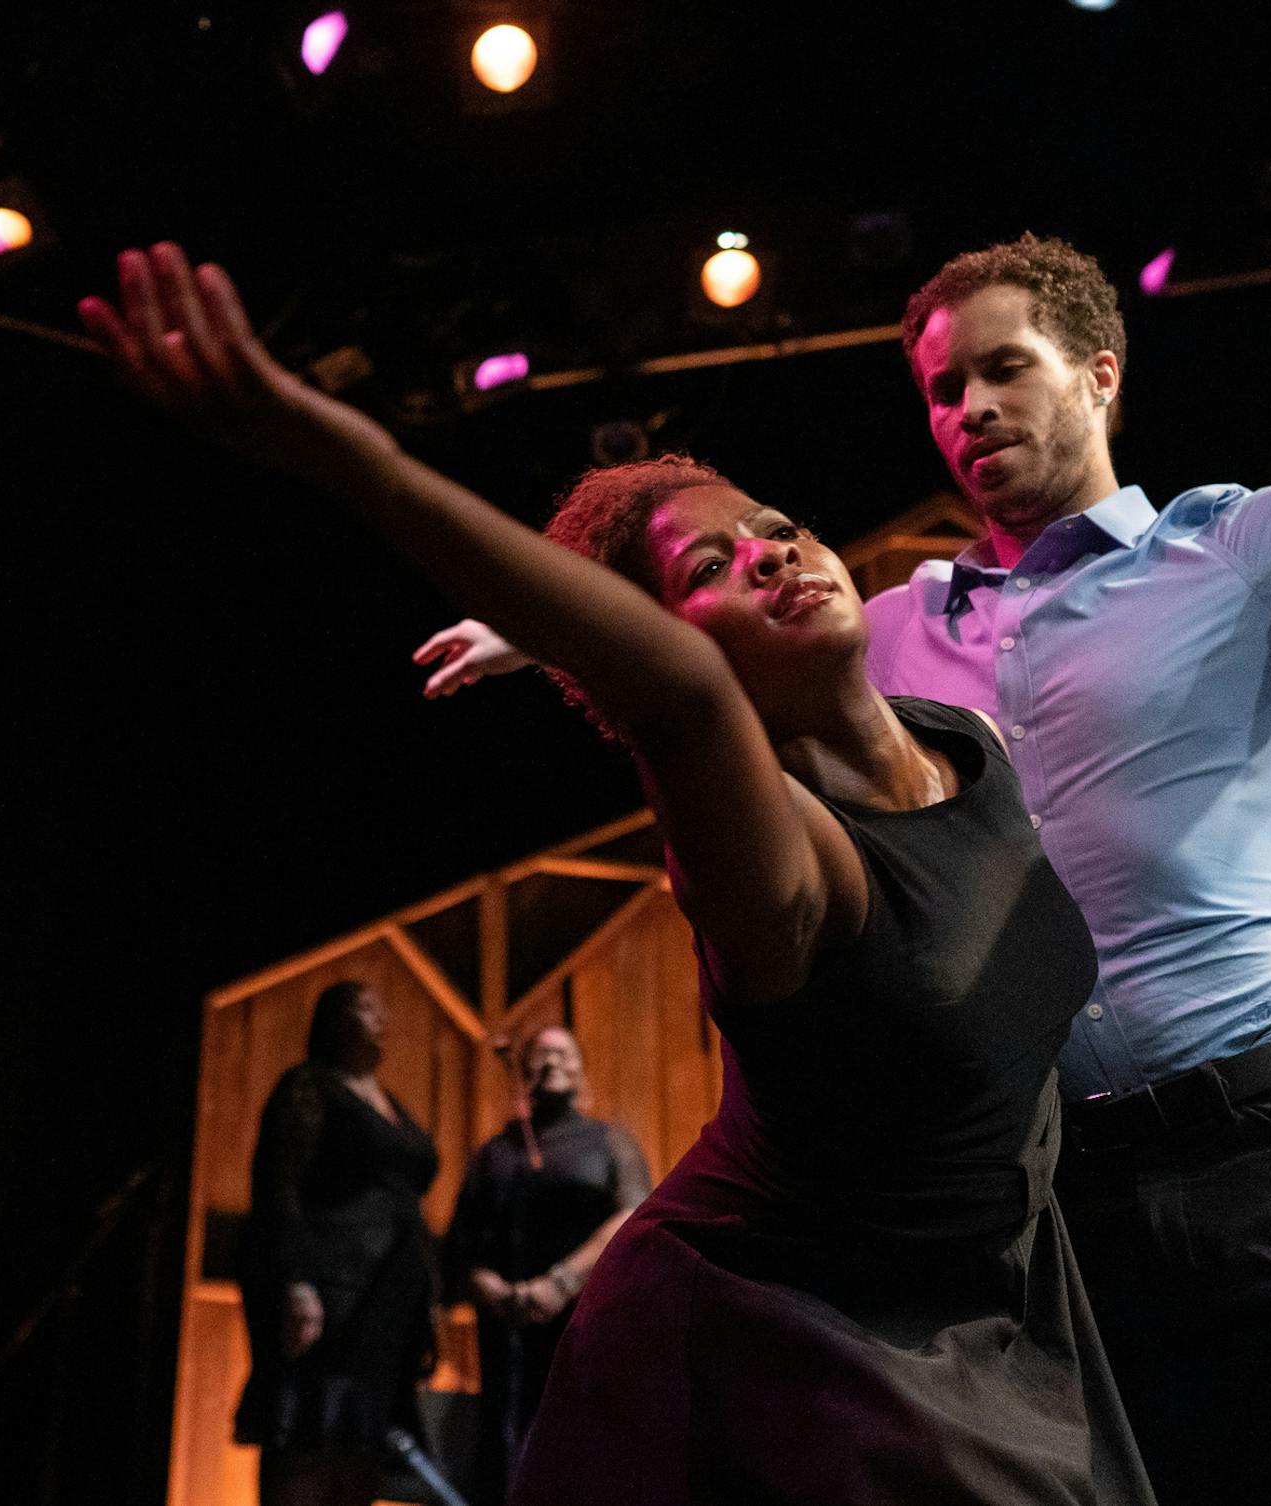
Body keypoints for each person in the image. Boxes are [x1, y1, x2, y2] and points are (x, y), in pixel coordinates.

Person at [414, 221, 1271, 1504]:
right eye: (944, 390)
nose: (971, 411)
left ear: (1100, 374)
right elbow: (704, 644)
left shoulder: (1251, 549)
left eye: (1006, 369)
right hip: (1056, 1215)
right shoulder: (879, 628)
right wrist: (567, 631)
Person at [81, 244, 1155, 1505]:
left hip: (989, 1313)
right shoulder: (788, 868)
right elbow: (687, 700)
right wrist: (352, 459)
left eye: (771, 527)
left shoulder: (960, 741)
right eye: (707, 574)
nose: (767, 554)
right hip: (793, 1351)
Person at [233, 980, 440, 1506]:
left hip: (385, 1304)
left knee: (359, 1439)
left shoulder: (389, 1100)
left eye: (379, 1006)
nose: (379, 1015)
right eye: (364, 1005)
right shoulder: (310, 1085)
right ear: (334, 1018)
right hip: (330, 1290)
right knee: (308, 1430)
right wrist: (296, 1282)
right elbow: (277, 1184)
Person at [442, 1025, 651, 1505]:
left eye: (564, 1053)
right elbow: (462, 1242)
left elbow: (634, 1217)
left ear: (579, 1072)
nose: (552, 1060)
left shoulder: (609, 1142)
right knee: (507, 1453)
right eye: (541, 1052)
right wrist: (489, 1288)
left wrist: (562, 1282)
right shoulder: (495, 1153)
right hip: (506, 1334)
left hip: (586, 1329)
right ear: (523, 1070)